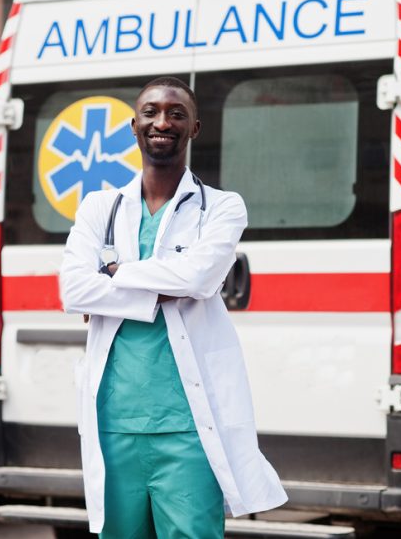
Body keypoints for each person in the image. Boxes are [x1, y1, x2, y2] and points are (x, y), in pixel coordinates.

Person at [59, 77, 287, 538]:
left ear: (194, 128)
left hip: (187, 431)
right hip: (113, 425)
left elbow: (198, 279)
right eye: (151, 112)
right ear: (134, 125)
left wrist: (113, 274)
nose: (162, 121)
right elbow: (73, 290)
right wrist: (161, 282)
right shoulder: (99, 207)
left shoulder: (221, 208)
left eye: (176, 113)